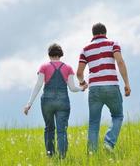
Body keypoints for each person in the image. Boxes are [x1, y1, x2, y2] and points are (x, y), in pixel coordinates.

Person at [24, 43, 87, 159]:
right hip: (63, 101)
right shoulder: (68, 68)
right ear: (60, 54)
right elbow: (72, 88)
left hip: (47, 102)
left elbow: (38, 85)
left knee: (49, 128)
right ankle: (62, 157)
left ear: (49, 54)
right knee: (62, 130)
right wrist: (81, 88)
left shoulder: (43, 67)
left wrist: (29, 104)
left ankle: (50, 155)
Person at [76, 23, 131, 152]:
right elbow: (120, 62)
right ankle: (109, 142)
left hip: (94, 88)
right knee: (117, 116)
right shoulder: (113, 44)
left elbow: (79, 73)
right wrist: (127, 84)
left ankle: (92, 153)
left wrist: (83, 82)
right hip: (112, 86)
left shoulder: (85, 49)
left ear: (93, 34)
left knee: (94, 123)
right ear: (105, 33)